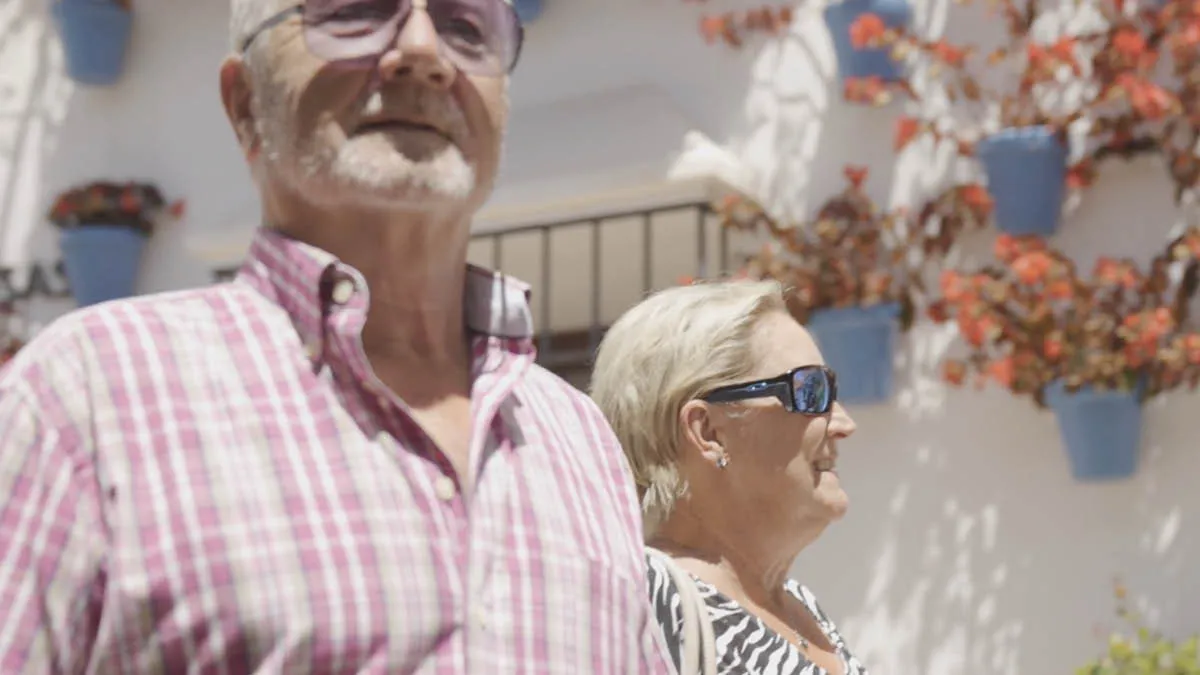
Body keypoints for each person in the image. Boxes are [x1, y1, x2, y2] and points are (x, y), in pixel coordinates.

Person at [0, 1, 673, 672]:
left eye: (466, 28)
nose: (422, 51)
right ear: (245, 103)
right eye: (356, 11)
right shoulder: (88, 395)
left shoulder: (578, 438)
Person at [591, 279, 870, 675]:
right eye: (810, 391)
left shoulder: (796, 604)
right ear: (709, 432)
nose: (844, 423)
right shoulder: (652, 607)